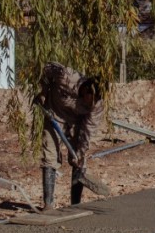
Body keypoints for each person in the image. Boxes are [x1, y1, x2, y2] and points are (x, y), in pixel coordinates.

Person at [34, 62, 103, 210]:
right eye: (90, 99)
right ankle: (48, 204)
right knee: (50, 157)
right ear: (85, 90)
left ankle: (75, 205)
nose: (91, 103)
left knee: (79, 160)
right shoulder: (66, 76)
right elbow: (45, 69)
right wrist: (43, 92)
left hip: (76, 124)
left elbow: (88, 130)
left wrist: (79, 152)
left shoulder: (96, 105)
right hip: (54, 116)